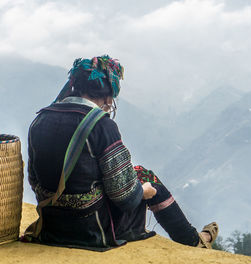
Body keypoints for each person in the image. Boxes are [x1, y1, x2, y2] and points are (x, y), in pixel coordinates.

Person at [25, 55, 218, 251]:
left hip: (52, 223)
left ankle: (193, 238)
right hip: (91, 229)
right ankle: (194, 241)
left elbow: (34, 178)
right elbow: (124, 197)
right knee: (145, 177)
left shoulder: (40, 119)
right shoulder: (101, 125)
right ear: (109, 96)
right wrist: (145, 191)